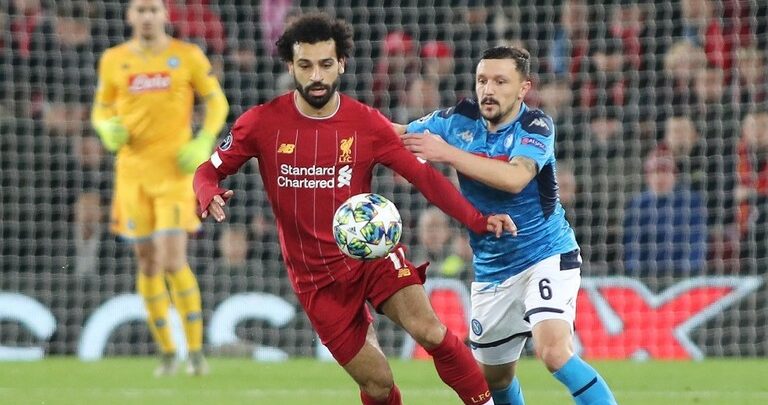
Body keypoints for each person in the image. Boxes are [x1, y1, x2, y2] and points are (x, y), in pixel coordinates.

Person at [193, 13, 515, 405]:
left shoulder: (366, 123)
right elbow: (207, 171)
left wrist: (478, 220)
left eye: (326, 64)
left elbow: (424, 178)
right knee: (378, 384)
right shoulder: (261, 123)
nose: (316, 76)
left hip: (372, 254)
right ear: (290, 66)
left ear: (341, 64)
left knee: (430, 331)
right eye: (306, 65)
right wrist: (206, 192)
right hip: (317, 280)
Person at [397, 46, 617, 405]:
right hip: (493, 269)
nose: (489, 90)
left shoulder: (536, 126)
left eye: (500, 82)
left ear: (522, 88)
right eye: (483, 80)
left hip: (546, 254)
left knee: (553, 352)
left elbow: (515, 178)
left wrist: (447, 153)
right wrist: (339, 123)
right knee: (495, 378)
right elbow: (397, 134)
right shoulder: (458, 120)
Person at [90, 0, 229, 376]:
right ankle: (168, 352)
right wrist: (105, 127)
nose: (147, 16)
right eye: (141, 9)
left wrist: (203, 141)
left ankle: (195, 352)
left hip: (174, 175)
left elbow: (217, 102)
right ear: (130, 16)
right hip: (132, 177)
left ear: (165, 15)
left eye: (153, 9)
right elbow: (101, 107)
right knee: (147, 262)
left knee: (171, 259)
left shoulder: (187, 55)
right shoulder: (113, 59)